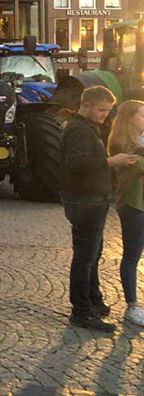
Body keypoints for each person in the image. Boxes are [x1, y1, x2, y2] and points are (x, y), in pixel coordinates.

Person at [61, 85, 139, 332]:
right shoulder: (78, 130)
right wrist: (110, 162)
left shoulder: (88, 127)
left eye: (108, 111)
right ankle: (81, 311)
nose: (105, 115)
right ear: (86, 105)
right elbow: (75, 165)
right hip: (84, 200)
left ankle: (93, 300)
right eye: (102, 110)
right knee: (84, 257)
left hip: (93, 199)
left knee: (93, 254)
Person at [107, 99, 144, 327]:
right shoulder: (122, 144)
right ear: (130, 118)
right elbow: (136, 166)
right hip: (134, 204)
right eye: (142, 115)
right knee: (132, 255)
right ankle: (132, 306)